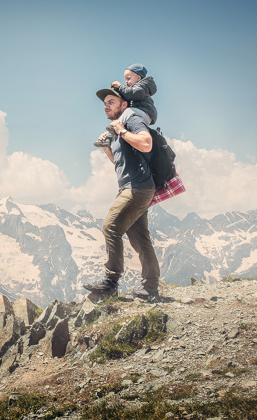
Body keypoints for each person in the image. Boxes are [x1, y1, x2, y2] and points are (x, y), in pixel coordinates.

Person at [83, 86, 161, 300]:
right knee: (139, 238)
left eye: (111, 102)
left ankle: (110, 281)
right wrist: (107, 146)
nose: (106, 106)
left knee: (111, 227)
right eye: (105, 103)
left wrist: (121, 131)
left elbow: (146, 143)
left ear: (124, 105)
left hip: (138, 188)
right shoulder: (116, 129)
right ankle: (151, 289)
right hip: (131, 187)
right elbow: (119, 164)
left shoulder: (131, 120)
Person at [94, 63, 157, 148]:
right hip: (142, 112)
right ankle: (109, 137)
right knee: (124, 116)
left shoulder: (141, 87)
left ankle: (111, 132)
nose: (126, 81)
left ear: (138, 78)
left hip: (145, 112)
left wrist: (120, 87)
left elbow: (132, 93)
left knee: (127, 112)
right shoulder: (135, 88)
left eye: (128, 78)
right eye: (105, 103)